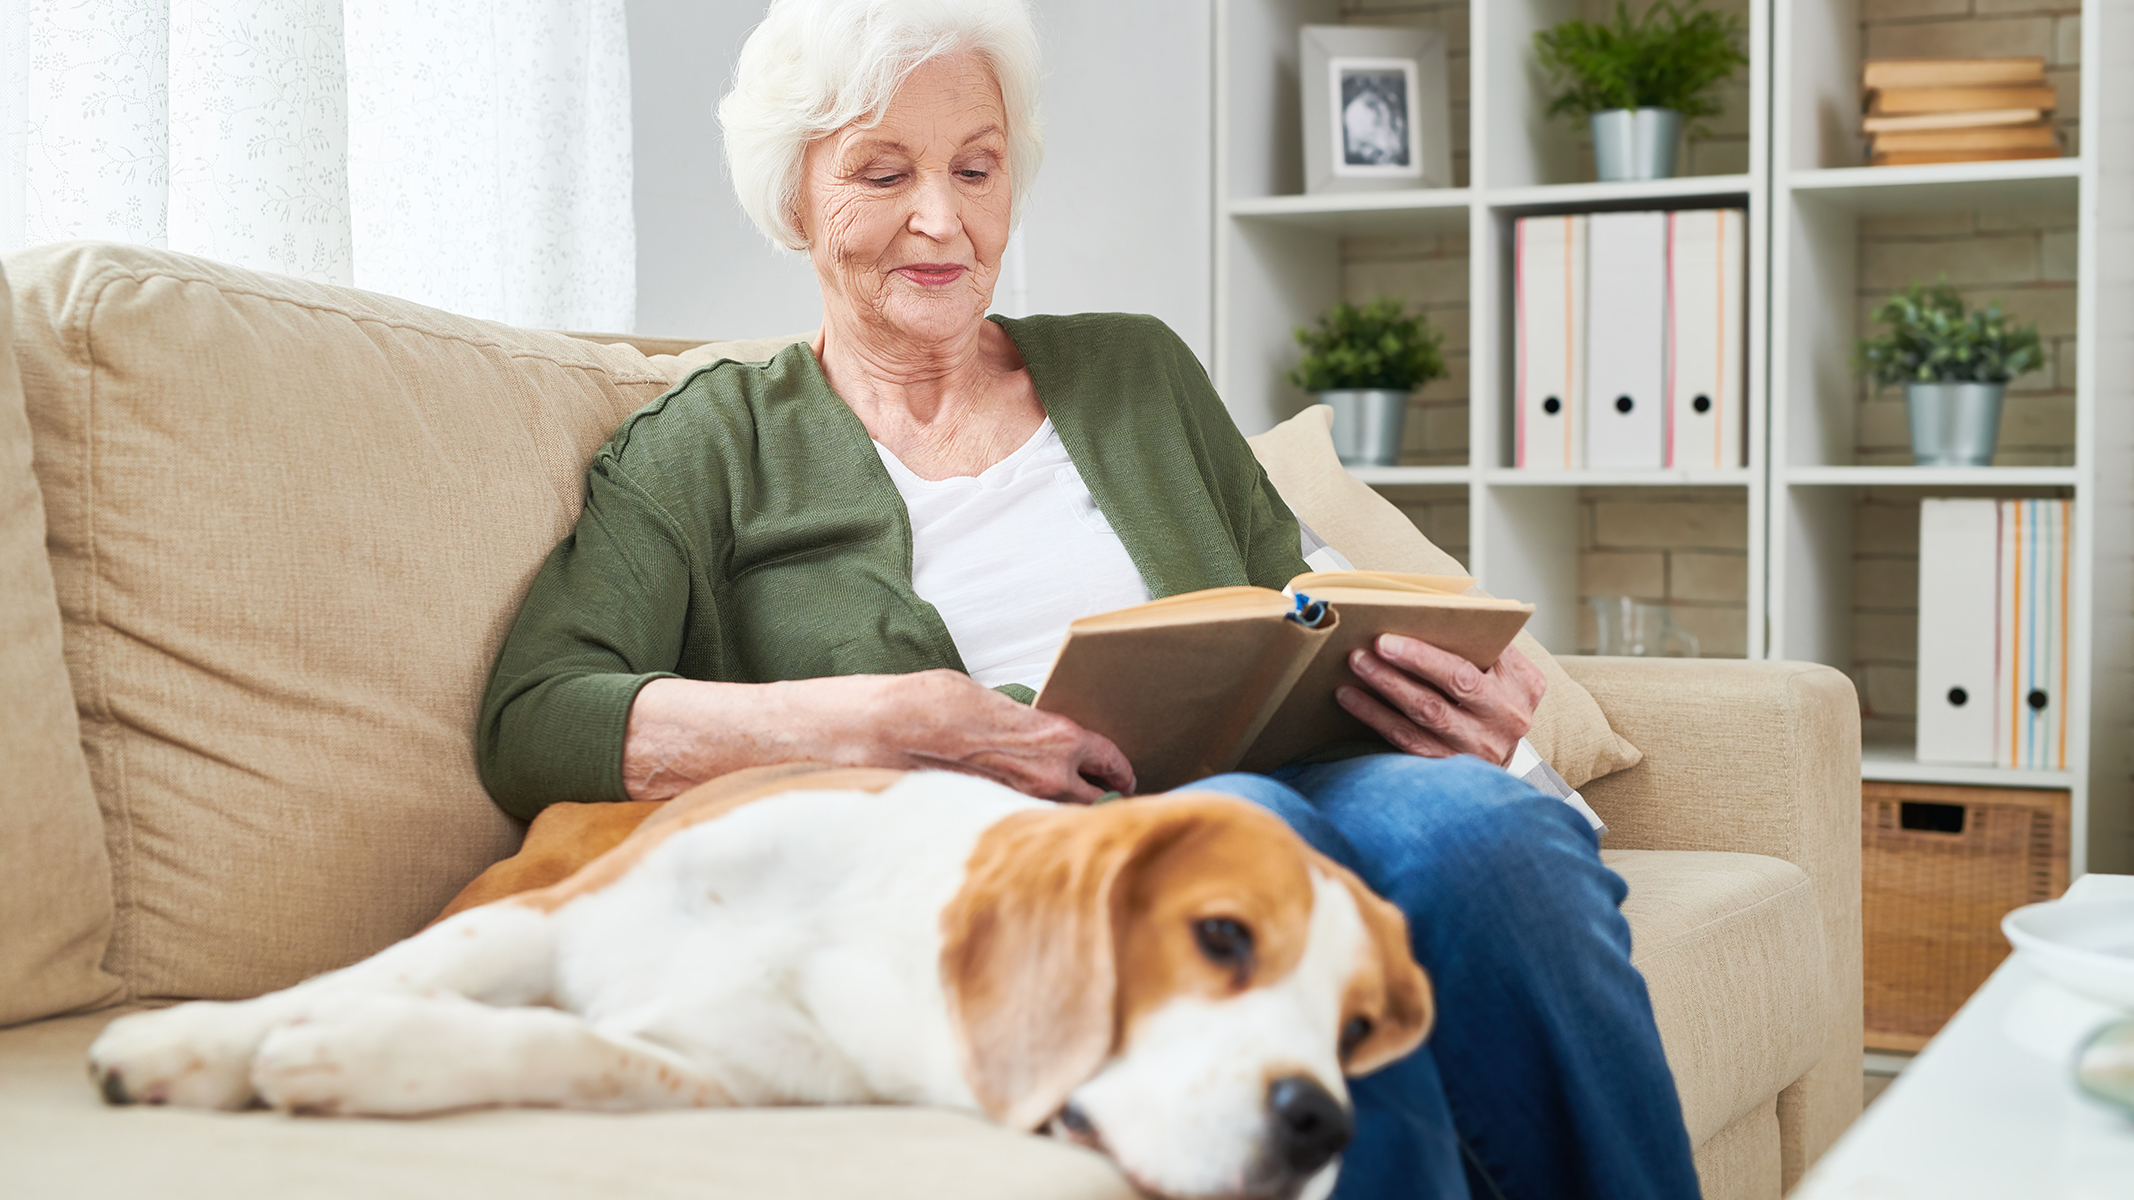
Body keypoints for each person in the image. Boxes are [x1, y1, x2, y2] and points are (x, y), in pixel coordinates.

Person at [476, 1, 1701, 1196]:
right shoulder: (708, 445)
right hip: (1062, 847)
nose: (940, 220)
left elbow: (1302, 588)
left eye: (975, 167)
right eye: (881, 171)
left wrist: (1465, 701)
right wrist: (868, 721)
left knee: (1487, 838)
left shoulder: (1135, 366)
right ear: (795, 199)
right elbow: (539, 714)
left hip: (1289, 768)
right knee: (1263, 854)